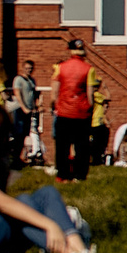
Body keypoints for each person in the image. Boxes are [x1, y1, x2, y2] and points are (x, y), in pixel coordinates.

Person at [0, 107, 90, 253]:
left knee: (46, 193)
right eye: (5, 133)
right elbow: (3, 204)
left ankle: (77, 246)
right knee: (20, 206)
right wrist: (49, 224)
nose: (9, 138)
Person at [51, 41, 95, 181]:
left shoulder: (60, 67)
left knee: (62, 146)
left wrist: (55, 105)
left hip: (64, 111)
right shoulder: (89, 69)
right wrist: (90, 108)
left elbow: (54, 93)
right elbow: (90, 95)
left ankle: (62, 175)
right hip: (81, 113)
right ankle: (80, 175)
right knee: (82, 146)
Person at [9, 59, 41, 164]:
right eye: (26, 68)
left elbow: (34, 94)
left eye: (30, 68)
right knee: (18, 133)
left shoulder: (32, 80)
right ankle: (13, 156)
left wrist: (35, 106)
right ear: (23, 68)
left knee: (24, 135)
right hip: (19, 109)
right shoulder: (18, 79)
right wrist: (23, 108)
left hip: (29, 110)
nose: (28, 70)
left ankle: (18, 157)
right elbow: (17, 93)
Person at [86, 71, 110, 171]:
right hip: (96, 122)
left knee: (94, 142)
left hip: (94, 121)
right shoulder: (97, 95)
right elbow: (108, 97)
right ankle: (96, 160)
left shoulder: (91, 95)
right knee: (97, 143)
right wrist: (105, 88)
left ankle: (94, 159)